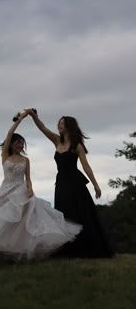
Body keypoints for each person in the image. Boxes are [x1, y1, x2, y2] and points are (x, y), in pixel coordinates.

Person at [0, 110, 82, 263]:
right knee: (3, 222)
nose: (21, 145)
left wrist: (30, 188)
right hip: (5, 191)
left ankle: (21, 253)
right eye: (18, 142)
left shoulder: (25, 160)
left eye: (22, 143)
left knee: (24, 223)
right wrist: (20, 119)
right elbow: (10, 133)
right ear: (12, 144)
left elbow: (28, 178)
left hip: (21, 191)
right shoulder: (5, 156)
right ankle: (0, 253)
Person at [26, 109, 114, 258]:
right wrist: (34, 116)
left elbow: (86, 166)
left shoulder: (77, 145)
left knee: (81, 215)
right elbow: (42, 128)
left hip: (76, 183)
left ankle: (87, 249)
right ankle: (68, 250)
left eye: (62, 123)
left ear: (69, 126)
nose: (59, 125)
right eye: (59, 123)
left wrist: (96, 185)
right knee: (63, 215)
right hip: (61, 183)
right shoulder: (56, 140)